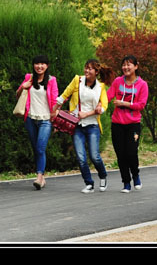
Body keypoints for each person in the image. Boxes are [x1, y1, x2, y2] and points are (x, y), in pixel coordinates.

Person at [53, 59, 113, 193]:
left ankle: (103, 176)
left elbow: (104, 105)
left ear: (96, 72)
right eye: (86, 68)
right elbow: (64, 96)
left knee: (94, 155)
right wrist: (54, 112)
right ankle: (89, 183)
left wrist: (92, 112)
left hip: (92, 125)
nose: (86, 71)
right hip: (77, 125)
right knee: (80, 157)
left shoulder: (101, 87)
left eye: (90, 69)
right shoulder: (77, 81)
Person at [15, 54, 58, 190]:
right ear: (33, 65)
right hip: (30, 118)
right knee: (36, 149)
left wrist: (55, 119)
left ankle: (39, 176)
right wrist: (24, 86)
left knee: (40, 147)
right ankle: (42, 177)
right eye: (37, 64)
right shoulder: (29, 78)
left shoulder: (52, 80)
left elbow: (56, 100)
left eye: (43, 64)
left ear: (47, 66)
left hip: (45, 119)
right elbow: (17, 95)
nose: (40, 66)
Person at [107, 55, 148, 193]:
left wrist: (124, 103)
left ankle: (135, 175)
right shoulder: (118, 82)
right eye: (124, 65)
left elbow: (141, 105)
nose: (125, 67)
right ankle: (126, 182)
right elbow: (107, 96)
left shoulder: (142, 85)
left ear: (136, 66)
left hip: (133, 124)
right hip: (117, 123)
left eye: (129, 64)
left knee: (131, 152)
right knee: (120, 154)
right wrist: (98, 104)